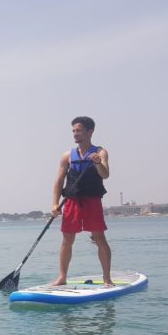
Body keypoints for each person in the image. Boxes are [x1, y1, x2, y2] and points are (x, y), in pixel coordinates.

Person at [51, 116, 112, 286]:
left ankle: (107, 278)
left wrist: (98, 163)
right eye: (73, 131)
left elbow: (105, 174)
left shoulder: (100, 152)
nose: (75, 134)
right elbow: (58, 181)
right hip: (72, 201)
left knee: (99, 238)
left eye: (78, 130)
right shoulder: (67, 156)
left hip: (92, 200)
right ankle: (62, 277)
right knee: (67, 239)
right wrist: (55, 204)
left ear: (89, 131)